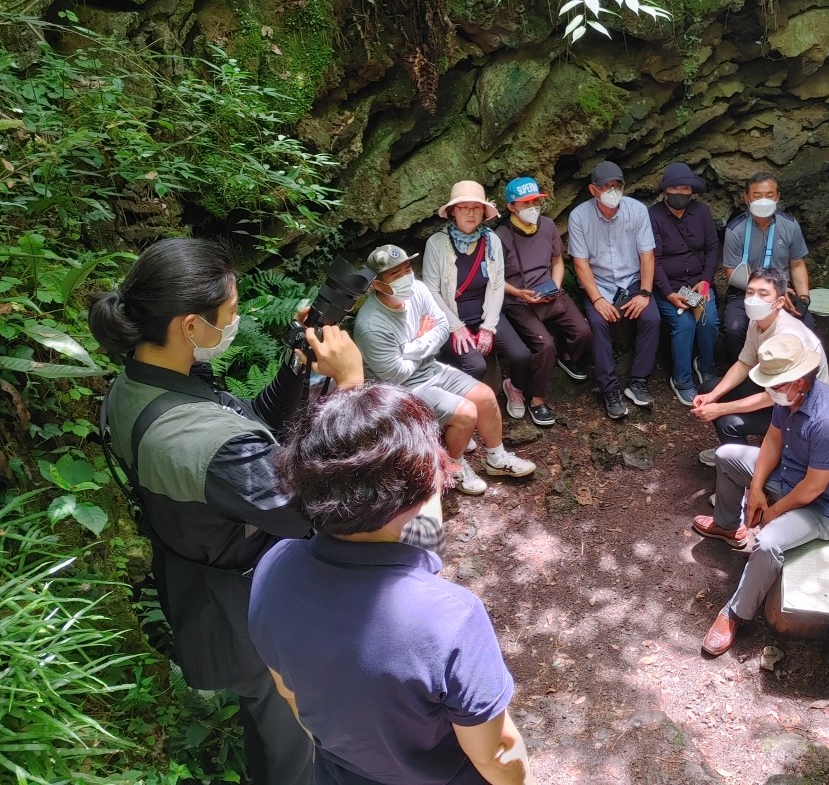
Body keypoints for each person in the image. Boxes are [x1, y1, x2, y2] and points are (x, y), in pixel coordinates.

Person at [89, 237, 367, 785]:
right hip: (246, 609)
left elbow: (251, 423)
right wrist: (350, 387)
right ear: (192, 325)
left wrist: (298, 364)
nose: (236, 319)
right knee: (296, 741)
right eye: (231, 312)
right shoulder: (198, 441)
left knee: (269, 725)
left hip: (204, 582)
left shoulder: (141, 384)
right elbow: (310, 508)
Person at [248, 383, 536, 785]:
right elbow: (496, 754)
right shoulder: (451, 618)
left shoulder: (275, 567)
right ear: (413, 492)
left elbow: (292, 695)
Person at [693, 334, 829, 656]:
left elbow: (813, 489)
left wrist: (770, 513)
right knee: (727, 456)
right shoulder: (789, 398)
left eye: (775, 384)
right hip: (788, 474)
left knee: (769, 542)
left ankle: (735, 613)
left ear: (799, 381)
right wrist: (756, 489)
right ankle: (728, 525)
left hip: (824, 508)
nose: (770, 390)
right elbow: (771, 440)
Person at [352, 244, 536, 496]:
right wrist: (422, 342)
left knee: (484, 396)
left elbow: (440, 329)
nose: (406, 277)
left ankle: (497, 457)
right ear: (378, 284)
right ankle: (453, 466)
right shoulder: (370, 324)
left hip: (430, 368)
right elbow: (396, 373)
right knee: (466, 413)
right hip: (400, 388)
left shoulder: (417, 289)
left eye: (407, 269)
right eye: (396, 274)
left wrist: (411, 346)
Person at [423, 180, 536, 424]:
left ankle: (513, 388)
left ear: (484, 212)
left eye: (476, 207)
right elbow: (431, 291)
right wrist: (456, 327)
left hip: (485, 314)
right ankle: (454, 413)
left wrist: (488, 327)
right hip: (450, 317)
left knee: (521, 355)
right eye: (464, 207)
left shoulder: (491, 241)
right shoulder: (437, 244)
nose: (471, 213)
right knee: (475, 365)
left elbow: (497, 286)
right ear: (453, 212)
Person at [692, 267, 829, 466]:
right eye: (750, 292)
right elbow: (745, 363)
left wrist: (720, 408)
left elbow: (776, 396)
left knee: (728, 422)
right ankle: (736, 453)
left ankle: (748, 472)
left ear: (780, 302)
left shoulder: (787, 336)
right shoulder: (758, 321)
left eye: (763, 293)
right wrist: (712, 397)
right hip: (776, 389)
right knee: (709, 389)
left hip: (801, 407)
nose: (753, 298)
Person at [494, 176, 593, 426]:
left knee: (583, 331)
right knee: (545, 345)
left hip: (550, 290)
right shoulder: (501, 236)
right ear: (511, 207)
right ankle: (537, 400)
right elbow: (494, 279)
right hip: (519, 299)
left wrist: (556, 286)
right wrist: (518, 294)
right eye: (526, 203)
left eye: (536, 201)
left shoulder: (547, 226)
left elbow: (557, 261)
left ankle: (567, 358)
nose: (533, 208)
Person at [567, 160, 660, 419]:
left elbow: (647, 256)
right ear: (593, 190)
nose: (612, 191)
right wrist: (596, 298)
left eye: (617, 185)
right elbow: (580, 263)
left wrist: (644, 293)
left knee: (652, 317)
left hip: (631, 280)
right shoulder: (579, 216)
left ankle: (638, 382)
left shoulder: (637, 210)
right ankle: (609, 388)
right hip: (598, 282)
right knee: (597, 323)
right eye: (606, 186)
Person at [719, 172, 814, 363]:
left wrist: (803, 298)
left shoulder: (790, 225)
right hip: (745, 291)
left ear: (778, 197)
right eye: (757, 195)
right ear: (746, 198)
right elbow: (731, 273)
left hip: (783, 291)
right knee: (734, 329)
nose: (764, 200)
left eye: (769, 195)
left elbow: (797, 264)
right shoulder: (735, 230)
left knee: (806, 324)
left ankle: (790, 376)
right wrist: (764, 291)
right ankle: (745, 376)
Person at [649, 162, 720, 405]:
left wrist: (706, 281)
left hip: (697, 283)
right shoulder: (654, 216)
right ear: (665, 191)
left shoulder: (701, 212)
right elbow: (652, 260)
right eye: (675, 188)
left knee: (708, 321)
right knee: (684, 324)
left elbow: (712, 248)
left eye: (686, 188)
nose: (681, 193)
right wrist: (668, 293)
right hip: (667, 286)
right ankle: (682, 379)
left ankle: (706, 367)